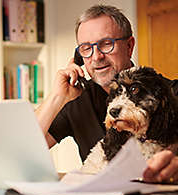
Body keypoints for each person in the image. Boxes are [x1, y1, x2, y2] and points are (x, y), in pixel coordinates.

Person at [35, 4, 178, 184]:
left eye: (106, 44)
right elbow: (22, 148)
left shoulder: (171, 93)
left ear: (129, 46)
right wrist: (57, 97)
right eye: (86, 48)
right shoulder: (76, 98)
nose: (96, 57)